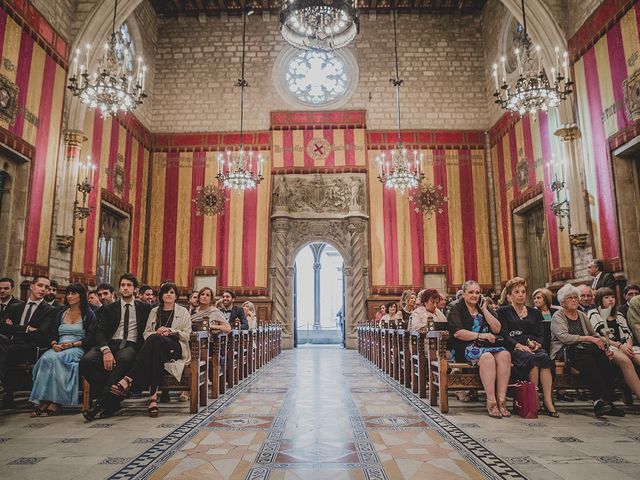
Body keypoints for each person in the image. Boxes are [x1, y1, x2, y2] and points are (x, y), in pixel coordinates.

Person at [109, 282, 191, 417]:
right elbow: (146, 333)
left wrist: (170, 331)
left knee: (155, 341)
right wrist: (157, 334)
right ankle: (152, 399)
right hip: (157, 348)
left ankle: (129, 379)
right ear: (161, 296)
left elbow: (187, 334)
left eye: (172, 292)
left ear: (176, 296)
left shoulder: (183, 311)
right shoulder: (154, 311)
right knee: (155, 344)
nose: (169, 295)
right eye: (166, 292)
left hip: (176, 347)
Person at [80, 273, 152, 421]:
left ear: (135, 290)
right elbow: (99, 331)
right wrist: (105, 350)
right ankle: (112, 402)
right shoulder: (110, 308)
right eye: (123, 285)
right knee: (87, 361)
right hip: (111, 343)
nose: (125, 288)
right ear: (119, 289)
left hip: (131, 345)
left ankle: (100, 404)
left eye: (129, 285)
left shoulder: (145, 308)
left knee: (124, 359)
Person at [550, 284, 624, 417]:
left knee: (603, 358)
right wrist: (589, 338)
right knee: (588, 361)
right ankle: (599, 401)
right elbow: (564, 338)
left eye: (575, 297)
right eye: (569, 298)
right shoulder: (558, 316)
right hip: (566, 351)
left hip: (586, 349)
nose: (574, 300)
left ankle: (606, 401)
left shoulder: (581, 315)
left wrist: (605, 347)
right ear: (562, 302)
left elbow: (595, 335)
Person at [29, 284, 96, 416]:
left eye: (73, 293)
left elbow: (91, 338)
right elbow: (52, 334)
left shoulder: (89, 315)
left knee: (57, 359)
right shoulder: (60, 313)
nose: (70, 296)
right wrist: (54, 344)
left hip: (77, 347)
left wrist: (72, 344)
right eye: (68, 293)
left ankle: (56, 401)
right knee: (46, 359)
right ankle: (43, 399)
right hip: (59, 346)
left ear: (81, 296)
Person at [448, 280, 511, 418]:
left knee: (505, 355)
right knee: (487, 357)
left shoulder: (484, 307)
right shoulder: (456, 309)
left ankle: (502, 400)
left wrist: (484, 310)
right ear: (464, 294)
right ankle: (491, 401)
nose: (474, 295)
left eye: (477, 292)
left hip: (486, 346)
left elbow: (497, 328)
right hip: (464, 347)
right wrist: (481, 335)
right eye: (471, 292)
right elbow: (458, 333)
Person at [498, 277, 557, 417]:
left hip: (533, 347)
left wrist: (537, 344)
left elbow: (540, 333)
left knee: (544, 358)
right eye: (517, 292)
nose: (520, 295)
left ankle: (548, 401)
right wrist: (517, 345)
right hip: (515, 349)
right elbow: (503, 334)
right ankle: (534, 398)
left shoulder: (534, 312)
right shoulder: (503, 312)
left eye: (523, 292)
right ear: (509, 296)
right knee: (532, 360)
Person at [0, 276, 55, 408]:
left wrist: (13, 328)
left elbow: (41, 334)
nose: (43, 289)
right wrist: (26, 329)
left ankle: (4, 387)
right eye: (40, 285)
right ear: (32, 286)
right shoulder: (16, 306)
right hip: (9, 344)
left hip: (30, 348)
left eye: (46, 288)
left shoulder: (49, 310)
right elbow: (2, 327)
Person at [587, 287, 640, 399]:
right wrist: (620, 346)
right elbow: (599, 335)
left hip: (625, 346)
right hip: (608, 347)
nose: (611, 299)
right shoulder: (593, 313)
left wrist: (628, 346)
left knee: (637, 357)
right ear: (599, 300)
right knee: (625, 361)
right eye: (606, 297)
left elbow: (628, 333)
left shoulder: (619, 314)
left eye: (612, 297)